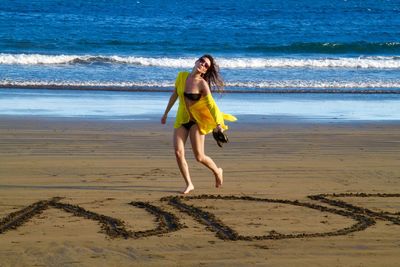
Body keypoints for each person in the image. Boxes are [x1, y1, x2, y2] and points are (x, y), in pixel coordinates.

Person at [161, 54, 237, 194]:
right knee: (178, 153)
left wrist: (219, 124)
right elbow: (174, 95)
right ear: (196, 61)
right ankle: (189, 183)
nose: (202, 64)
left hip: (197, 122)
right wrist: (165, 113)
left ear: (205, 71)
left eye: (206, 65)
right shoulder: (182, 76)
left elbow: (212, 106)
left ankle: (217, 171)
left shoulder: (202, 84)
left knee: (199, 157)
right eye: (201, 61)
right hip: (182, 120)